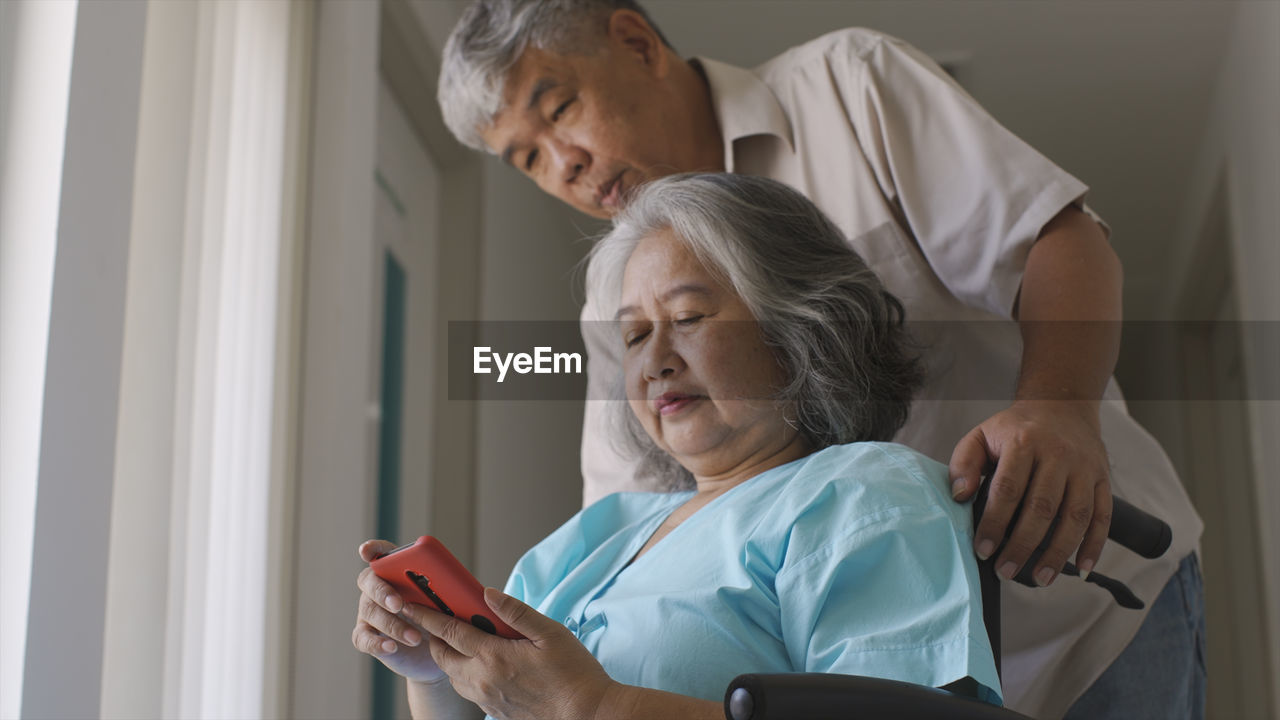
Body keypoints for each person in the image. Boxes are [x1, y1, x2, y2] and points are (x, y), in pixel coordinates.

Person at [436, 2, 1205, 718]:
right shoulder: (616, 303)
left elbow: (1056, 241)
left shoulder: (850, 87)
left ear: (636, 44)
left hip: (1080, 603)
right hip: (837, 645)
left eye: (560, 110)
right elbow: (636, 524)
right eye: (527, 158)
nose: (562, 166)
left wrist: (1058, 408)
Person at [354, 173, 1001, 719]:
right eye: (635, 336)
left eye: (688, 319)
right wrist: (434, 667)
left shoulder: (864, 494)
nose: (655, 360)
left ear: (799, 326)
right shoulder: (591, 538)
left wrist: (596, 706)